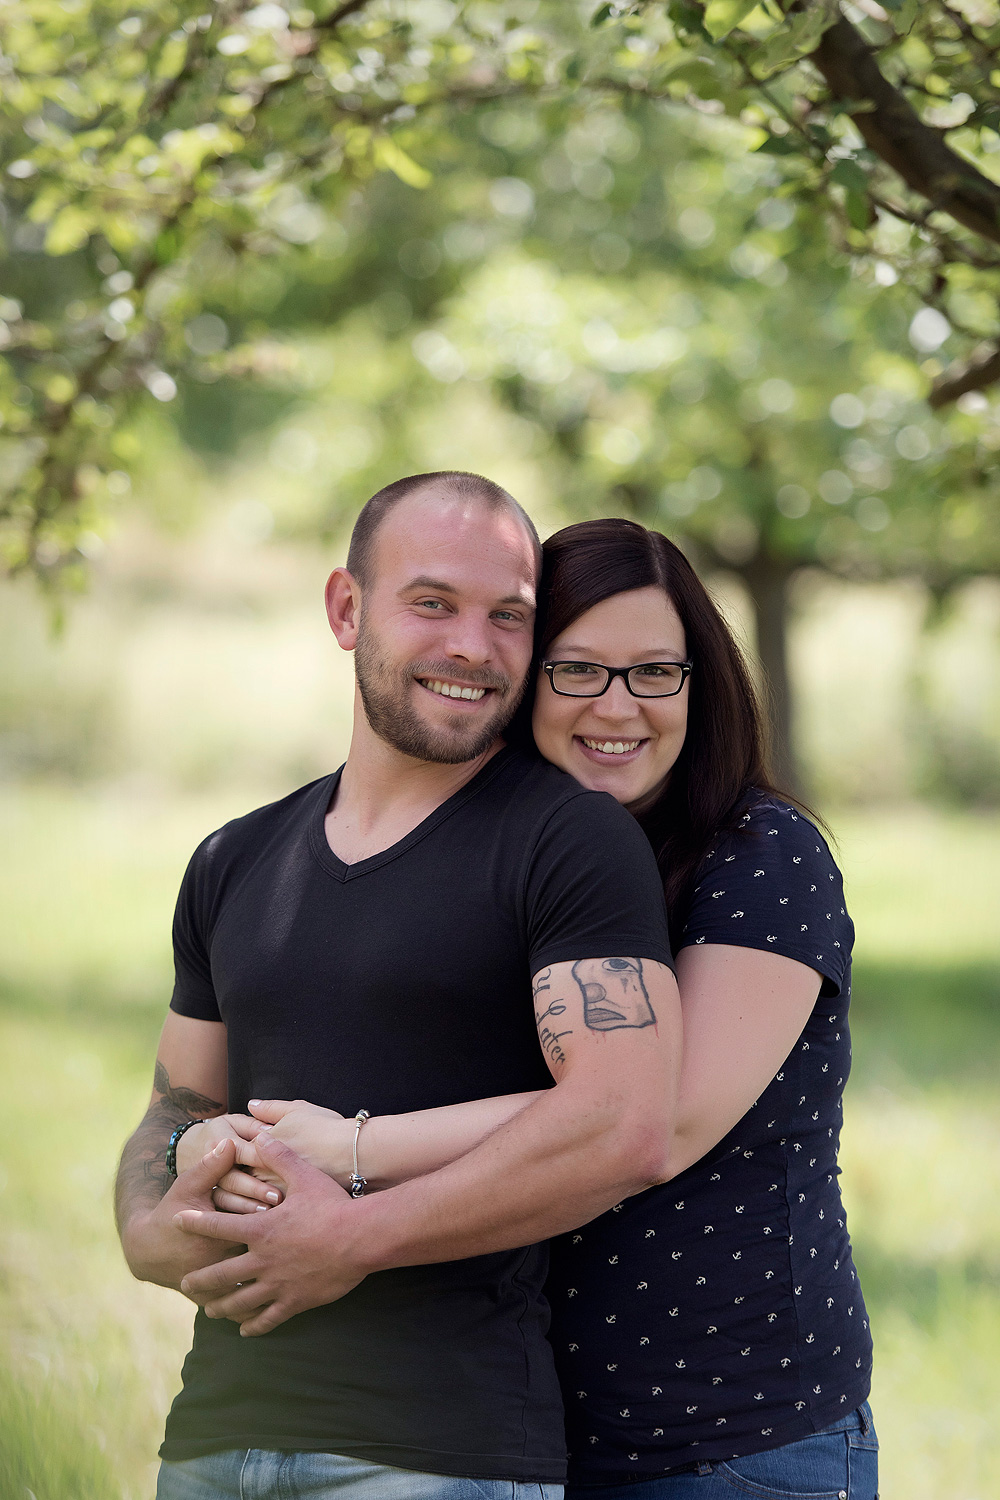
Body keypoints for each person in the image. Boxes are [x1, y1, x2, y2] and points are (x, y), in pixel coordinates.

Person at [212, 518, 876, 1498]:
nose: (620, 708)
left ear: (698, 683)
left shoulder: (759, 856)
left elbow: (665, 1117)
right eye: (576, 671)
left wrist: (353, 1151)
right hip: (516, 1437)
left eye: (655, 672)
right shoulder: (497, 865)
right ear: (522, 682)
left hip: (729, 1437)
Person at [114, 476, 683, 1500]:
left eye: (508, 615)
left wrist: (351, 1240)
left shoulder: (568, 841)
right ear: (347, 608)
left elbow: (624, 1122)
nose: (474, 644)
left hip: (437, 1453)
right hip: (212, 1436)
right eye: (433, 603)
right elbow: (177, 1104)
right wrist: (151, 1218)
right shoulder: (236, 858)